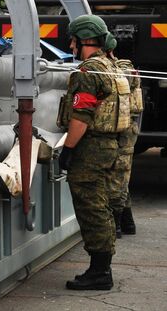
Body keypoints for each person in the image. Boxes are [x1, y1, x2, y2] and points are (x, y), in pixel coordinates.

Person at [57, 15, 131, 291]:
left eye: (73, 39)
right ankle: (101, 267)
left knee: (92, 208)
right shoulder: (111, 65)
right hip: (111, 146)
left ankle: (100, 272)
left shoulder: (88, 72)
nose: (71, 44)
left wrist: (68, 149)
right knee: (102, 205)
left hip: (91, 149)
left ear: (82, 39)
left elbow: (82, 116)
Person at [104, 35, 143, 236]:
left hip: (124, 130)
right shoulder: (121, 67)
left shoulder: (121, 69)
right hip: (127, 128)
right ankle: (127, 223)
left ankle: (117, 225)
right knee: (121, 176)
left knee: (118, 175)